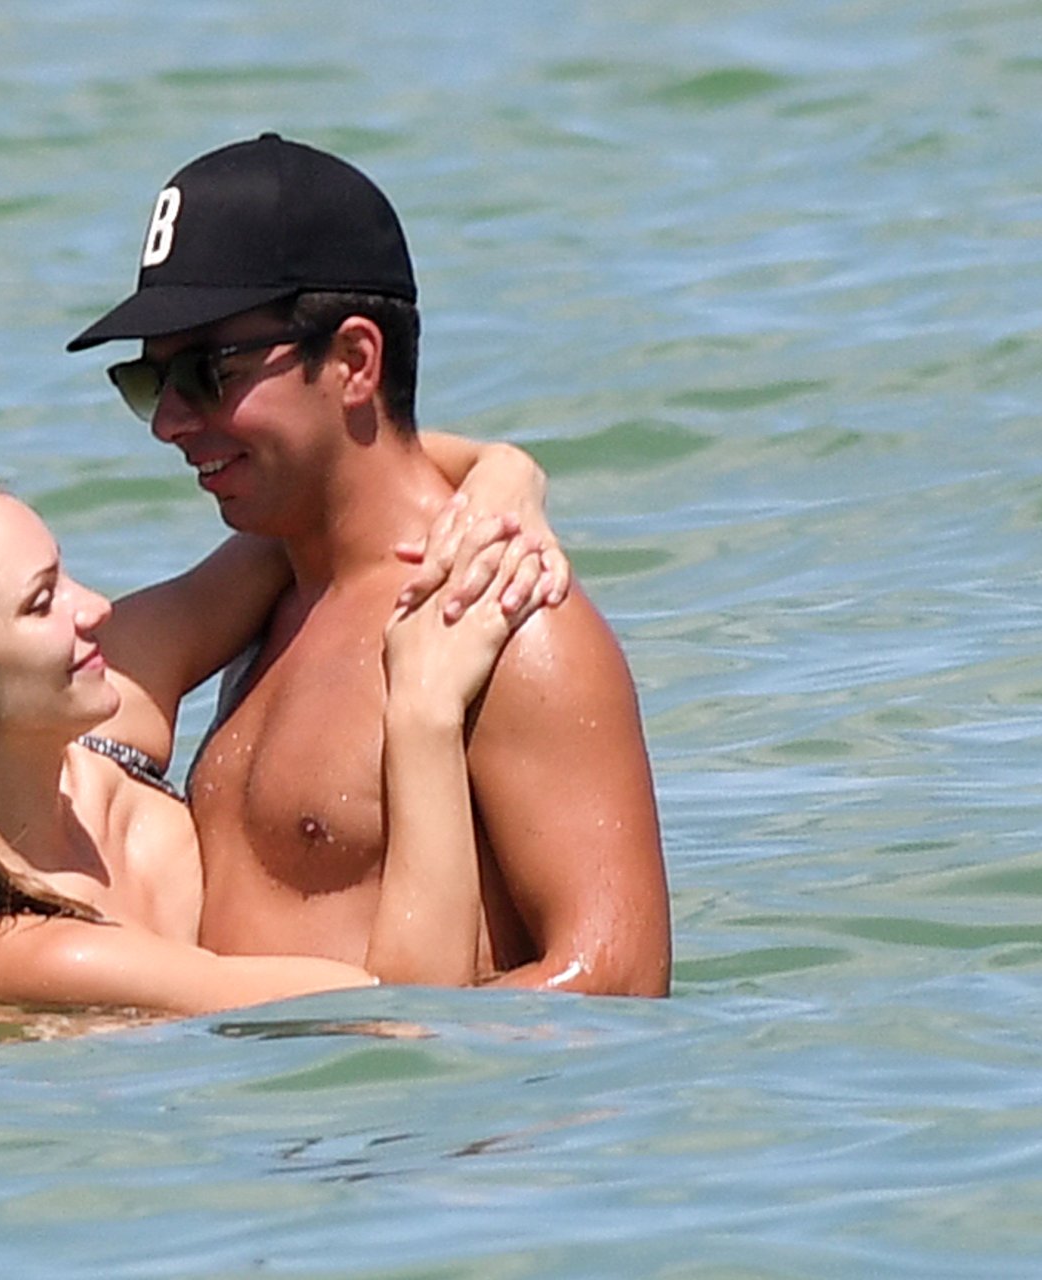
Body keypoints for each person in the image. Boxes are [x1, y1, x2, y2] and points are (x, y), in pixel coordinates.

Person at [67, 133, 671, 996]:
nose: (168, 422)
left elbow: (616, 978)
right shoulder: (262, 602)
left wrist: (378, 1046)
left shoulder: (502, 618)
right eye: (148, 383)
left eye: (207, 373)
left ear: (354, 362)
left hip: (404, 1087)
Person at [0, 453, 557, 1015]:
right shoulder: (18, 954)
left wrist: (505, 476)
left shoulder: (108, 711)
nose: (95, 607)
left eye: (64, 571)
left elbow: (328, 494)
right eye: (41, 601)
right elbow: (409, 1009)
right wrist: (423, 714)